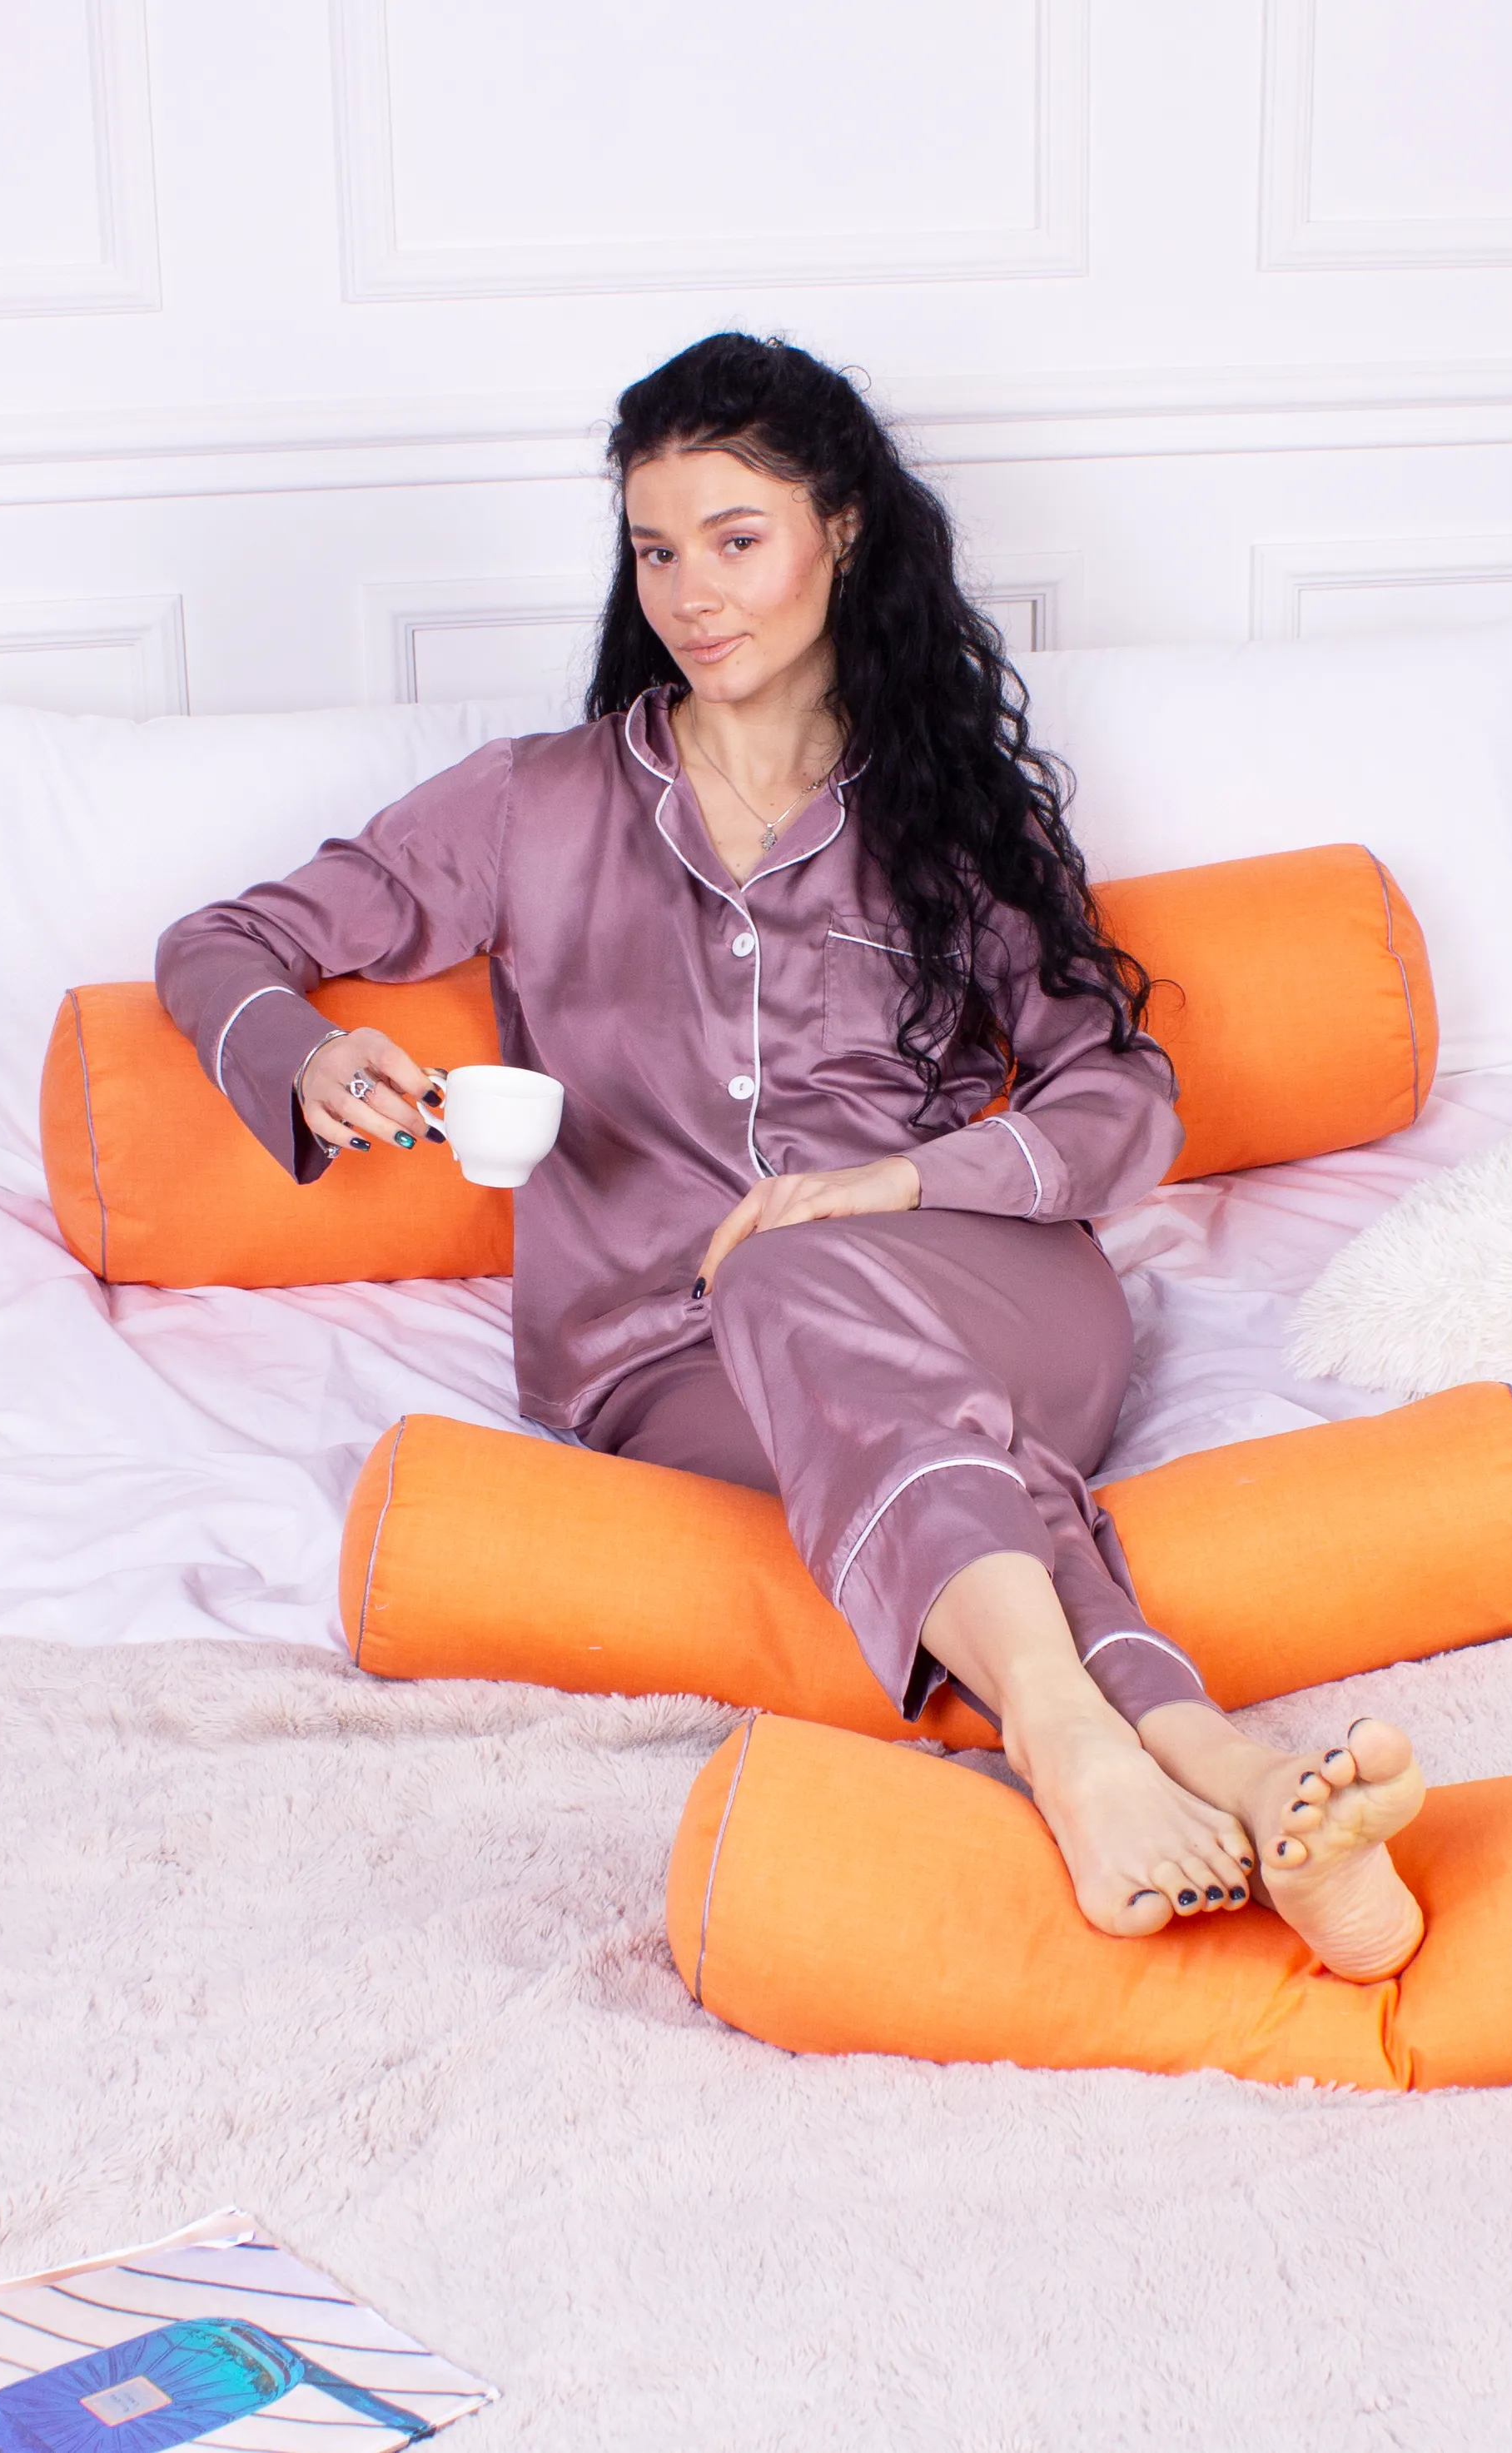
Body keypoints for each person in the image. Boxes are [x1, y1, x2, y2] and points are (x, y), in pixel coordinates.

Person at [157, 334, 1426, 1976]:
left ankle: (1063, 1744)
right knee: (863, 1384)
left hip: (992, 1293)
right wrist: (308, 1051)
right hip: (662, 1356)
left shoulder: (950, 814)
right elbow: (220, 942)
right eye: (655, 550)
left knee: (818, 1298)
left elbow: (1121, 1103)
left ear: (841, 530)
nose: (691, 593)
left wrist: (899, 1184)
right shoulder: (530, 804)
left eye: (736, 539)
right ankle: (1219, 1762)